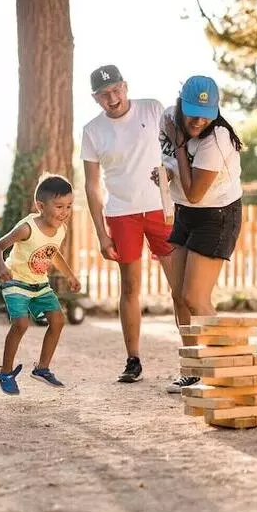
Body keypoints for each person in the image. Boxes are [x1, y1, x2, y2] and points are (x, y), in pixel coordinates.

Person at [80, 65, 178, 384]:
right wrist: (101, 234)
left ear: (125, 85)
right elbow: (92, 186)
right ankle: (133, 359)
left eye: (117, 90)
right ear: (96, 98)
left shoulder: (152, 108)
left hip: (161, 209)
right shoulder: (92, 131)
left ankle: (194, 355)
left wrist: (177, 182)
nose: (113, 98)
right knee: (130, 287)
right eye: (105, 94)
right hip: (121, 214)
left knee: (180, 286)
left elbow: (175, 151)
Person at [155, 75, 244, 393]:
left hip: (216, 215)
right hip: (185, 212)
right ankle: (193, 369)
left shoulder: (217, 139)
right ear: (180, 104)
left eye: (205, 113)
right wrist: (165, 173)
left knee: (195, 297)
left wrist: (179, 148)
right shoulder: (167, 118)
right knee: (178, 295)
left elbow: (195, 192)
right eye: (192, 111)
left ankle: (230, 365)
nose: (197, 120)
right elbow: (170, 165)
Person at [0, 175, 81, 395]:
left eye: (68, 206)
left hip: (39, 284)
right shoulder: (26, 228)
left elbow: (53, 253)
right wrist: (1, 267)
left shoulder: (61, 229)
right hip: (17, 282)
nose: (64, 211)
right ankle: (5, 371)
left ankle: (42, 368)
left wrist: (70, 275)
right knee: (21, 324)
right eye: (59, 206)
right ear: (41, 206)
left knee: (58, 321)